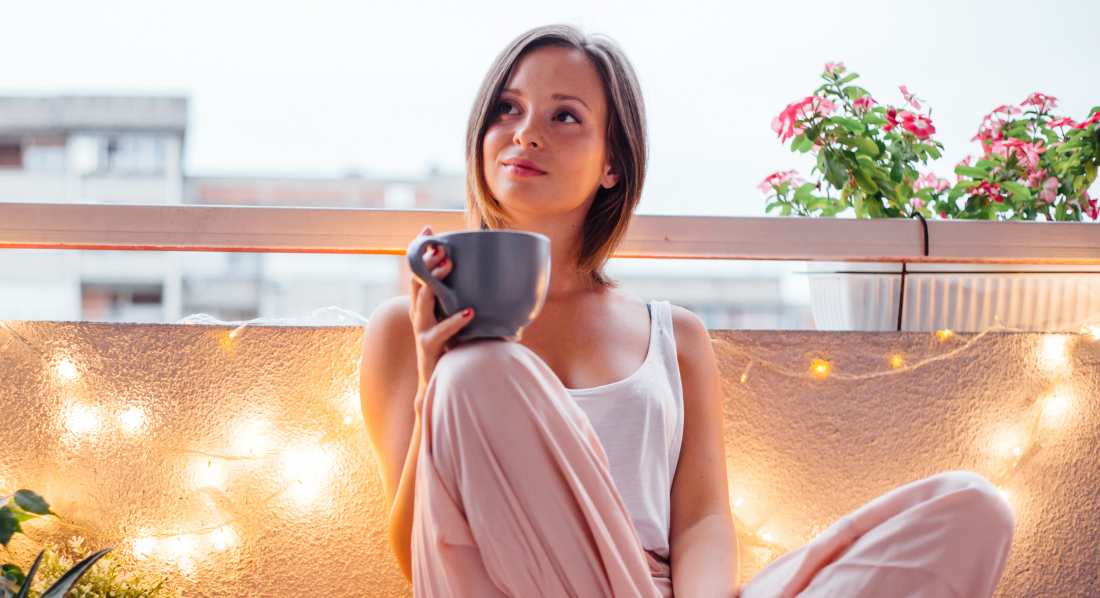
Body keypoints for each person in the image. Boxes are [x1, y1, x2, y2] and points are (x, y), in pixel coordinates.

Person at [359, 24, 1016, 598]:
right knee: (478, 372)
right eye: (508, 108)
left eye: (564, 116)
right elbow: (418, 552)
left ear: (612, 163)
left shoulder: (674, 335)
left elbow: (702, 522)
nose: (525, 132)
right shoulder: (410, 326)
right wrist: (435, 375)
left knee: (971, 508)